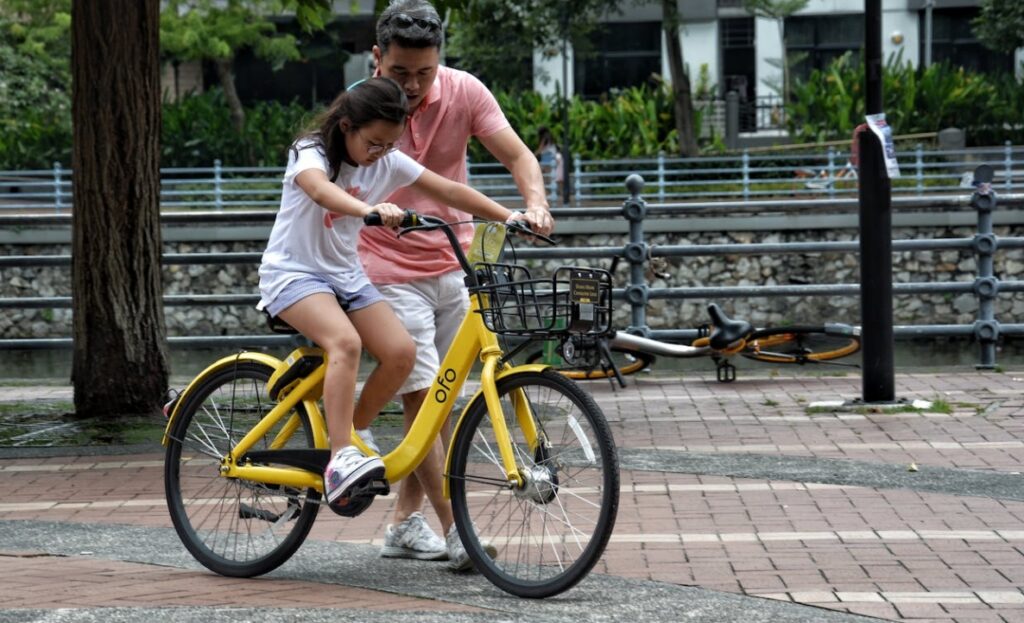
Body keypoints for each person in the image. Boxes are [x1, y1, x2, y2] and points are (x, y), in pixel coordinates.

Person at [256, 77, 522, 509]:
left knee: (402, 353)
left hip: (345, 275)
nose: (380, 153)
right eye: (374, 143)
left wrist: (511, 216)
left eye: (389, 144)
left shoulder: (388, 160)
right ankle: (340, 457)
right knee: (345, 342)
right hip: (294, 273)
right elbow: (319, 190)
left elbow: (450, 191)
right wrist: (368, 210)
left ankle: (351, 430)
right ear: (346, 126)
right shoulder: (311, 150)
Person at [356, 0, 555, 571]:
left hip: (454, 261)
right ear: (377, 59)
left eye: (425, 72)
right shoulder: (360, 105)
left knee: (440, 405)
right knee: (424, 394)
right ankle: (456, 530)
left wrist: (534, 205)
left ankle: (401, 525)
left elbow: (517, 153)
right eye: (400, 73)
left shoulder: (465, 91)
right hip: (384, 267)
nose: (415, 86)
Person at [534, 126, 563, 200]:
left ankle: (551, 193)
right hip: (549, 159)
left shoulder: (544, 138)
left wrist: (533, 155)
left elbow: (540, 149)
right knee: (548, 177)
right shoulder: (550, 138)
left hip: (547, 160)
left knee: (547, 177)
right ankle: (552, 193)